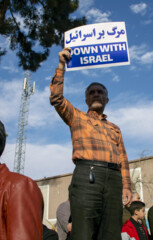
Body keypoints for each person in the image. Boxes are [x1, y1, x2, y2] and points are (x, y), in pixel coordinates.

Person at [50, 48, 132, 240]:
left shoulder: (115, 128)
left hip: (114, 180)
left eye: (100, 92)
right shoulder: (76, 117)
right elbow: (57, 98)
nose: (96, 94)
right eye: (92, 92)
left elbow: (123, 158)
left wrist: (127, 186)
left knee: (111, 232)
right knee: (84, 231)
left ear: (106, 99)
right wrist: (62, 65)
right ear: (86, 99)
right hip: (87, 175)